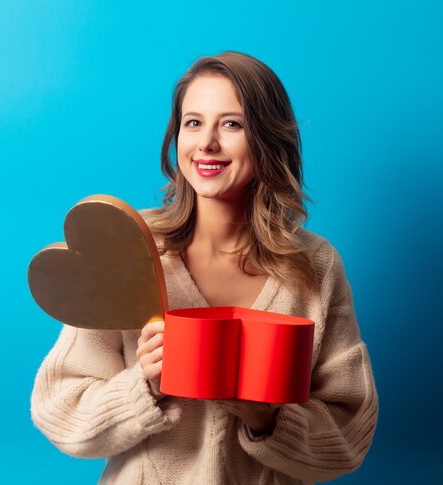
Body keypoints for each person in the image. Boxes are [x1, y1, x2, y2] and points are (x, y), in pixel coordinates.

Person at [30, 51, 378, 484]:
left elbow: (349, 431)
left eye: (232, 124)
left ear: (268, 137)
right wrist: (145, 387)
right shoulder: (128, 248)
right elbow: (59, 408)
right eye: (193, 123)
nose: (207, 143)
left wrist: (267, 419)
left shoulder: (316, 266)